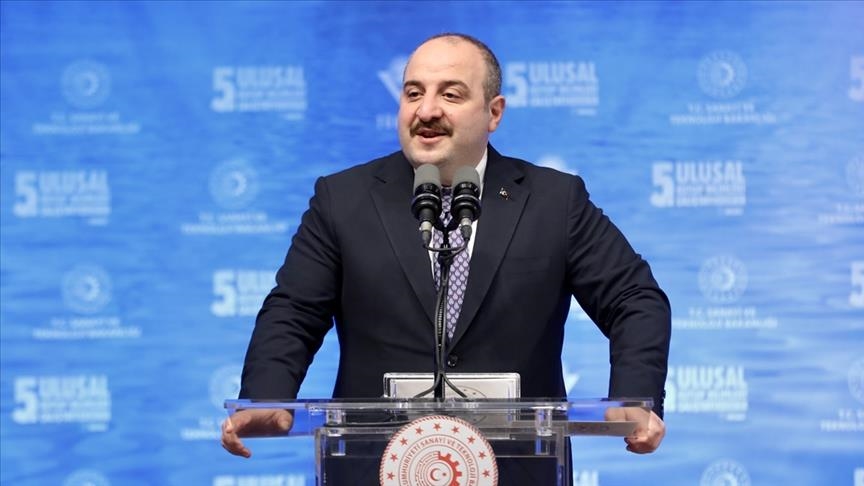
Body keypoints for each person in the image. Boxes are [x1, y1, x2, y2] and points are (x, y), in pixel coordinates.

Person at [222, 33, 671, 461]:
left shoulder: (554, 201)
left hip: (518, 468)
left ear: (494, 113)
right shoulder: (343, 199)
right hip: (375, 465)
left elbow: (634, 298)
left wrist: (633, 398)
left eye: (451, 95)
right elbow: (294, 311)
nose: (427, 110)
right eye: (413, 93)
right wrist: (268, 397)